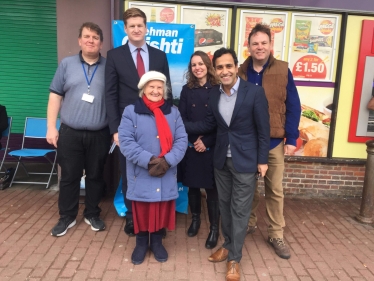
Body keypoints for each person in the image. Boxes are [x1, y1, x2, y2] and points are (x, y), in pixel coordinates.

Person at [184, 48, 270, 281]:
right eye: (220, 67)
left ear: (236, 66)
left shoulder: (254, 93)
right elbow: (208, 124)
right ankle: (228, 244)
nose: (224, 71)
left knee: (239, 210)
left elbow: (264, 131)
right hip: (221, 160)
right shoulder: (214, 95)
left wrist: (262, 160)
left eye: (228, 66)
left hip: (245, 161)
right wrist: (175, 124)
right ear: (215, 70)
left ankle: (234, 258)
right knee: (224, 205)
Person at [105, 7, 172, 237]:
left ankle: (158, 219)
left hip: (156, 126)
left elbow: (167, 92)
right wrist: (115, 130)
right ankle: (133, 218)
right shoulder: (114, 56)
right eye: (131, 25)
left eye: (139, 25)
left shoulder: (159, 56)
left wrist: (169, 127)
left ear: (146, 28)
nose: (136, 29)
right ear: (125, 29)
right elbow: (110, 95)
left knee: (157, 168)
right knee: (130, 172)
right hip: (127, 128)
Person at [238, 23, 301, 259]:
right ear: (249, 46)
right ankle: (248, 223)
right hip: (247, 142)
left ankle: (276, 233)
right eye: (255, 43)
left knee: (274, 190)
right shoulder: (240, 72)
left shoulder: (283, 70)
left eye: (264, 42)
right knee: (248, 189)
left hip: (274, 142)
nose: (260, 47)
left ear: (271, 45)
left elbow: (293, 105)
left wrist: (292, 137)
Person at [47, 22, 110, 237]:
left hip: (99, 133)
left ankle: (92, 213)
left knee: (95, 176)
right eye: (86, 36)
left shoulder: (109, 67)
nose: (90, 40)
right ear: (79, 40)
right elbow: (55, 96)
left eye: (95, 37)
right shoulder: (67, 64)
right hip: (70, 132)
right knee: (69, 176)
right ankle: (67, 216)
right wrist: (51, 127)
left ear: (101, 43)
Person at [118, 71, 187, 265]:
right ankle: (141, 244)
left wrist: (168, 160)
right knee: (141, 209)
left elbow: (181, 140)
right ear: (143, 90)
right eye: (151, 87)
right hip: (141, 172)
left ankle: (157, 242)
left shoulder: (173, 112)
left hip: (166, 170)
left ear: (164, 91)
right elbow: (126, 141)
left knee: (160, 208)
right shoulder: (131, 111)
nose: (156, 91)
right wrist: (149, 160)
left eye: (159, 87)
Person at [178, 51, 220, 248]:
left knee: (212, 190)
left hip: (211, 145)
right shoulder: (187, 90)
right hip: (192, 145)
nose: (197, 68)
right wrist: (197, 139)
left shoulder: (218, 89)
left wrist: (207, 140)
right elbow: (181, 120)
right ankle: (195, 220)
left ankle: (214, 229)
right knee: (193, 187)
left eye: (201, 64)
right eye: (193, 65)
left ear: (207, 65)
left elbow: (220, 122)